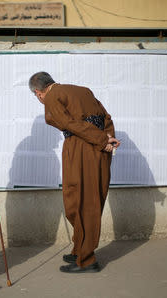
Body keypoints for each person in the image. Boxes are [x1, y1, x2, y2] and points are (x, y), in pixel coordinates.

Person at [28, 72, 120, 273]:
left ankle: (87, 260)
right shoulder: (83, 90)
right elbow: (106, 117)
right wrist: (107, 138)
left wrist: (103, 141)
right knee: (80, 199)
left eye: (37, 97)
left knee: (82, 201)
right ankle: (79, 249)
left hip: (81, 147)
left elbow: (69, 124)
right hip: (97, 147)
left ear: (38, 92)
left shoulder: (52, 96)